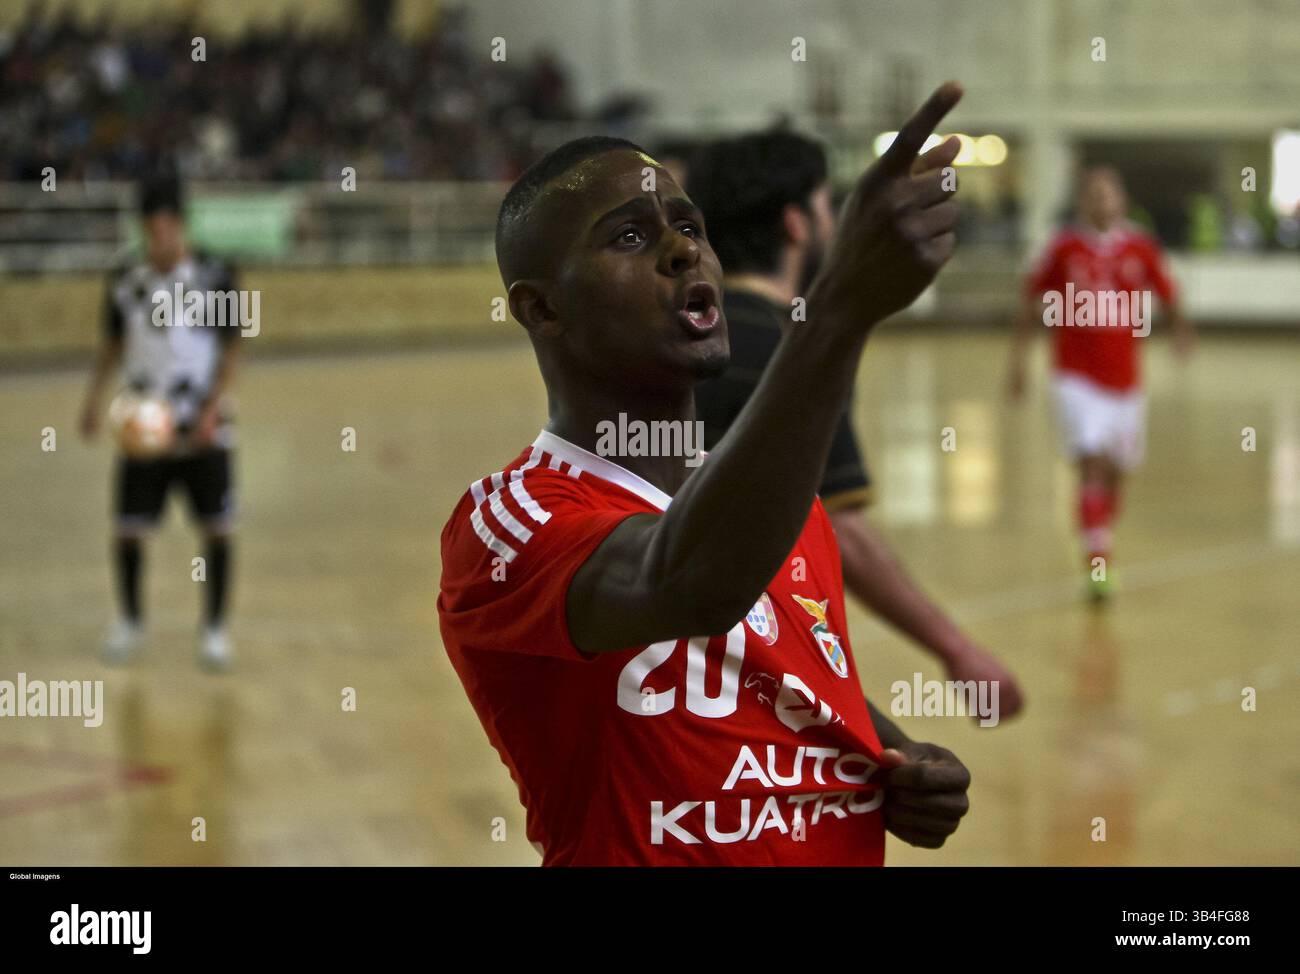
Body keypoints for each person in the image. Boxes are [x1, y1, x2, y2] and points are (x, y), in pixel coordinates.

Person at [438, 84, 972, 865]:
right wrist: (837, 310)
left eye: (689, 226)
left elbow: (793, 669)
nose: (684, 249)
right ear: (541, 309)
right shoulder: (509, 524)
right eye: (628, 236)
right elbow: (687, 585)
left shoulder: (781, 505)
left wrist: (891, 758)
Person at [691, 130, 1024, 719]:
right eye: (825, 206)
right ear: (794, 224)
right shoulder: (796, 351)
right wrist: (956, 650)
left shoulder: (685, 334)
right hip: (739, 666)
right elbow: (841, 524)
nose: (833, 220)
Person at [1008, 166, 1194, 599]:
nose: (1102, 202)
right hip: (1075, 377)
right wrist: (1018, 361)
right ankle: (1098, 563)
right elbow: (1030, 300)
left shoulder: (1139, 247)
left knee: (1117, 470)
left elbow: (1168, 292)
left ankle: (1099, 529)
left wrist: (1181, 331)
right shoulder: (1062, 247)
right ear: (1082, 202)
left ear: (1122, 200)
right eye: (1093, 194)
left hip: (1125, 381)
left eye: (1109, 194)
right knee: (1091, 462)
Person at [80, 176, 242, 670]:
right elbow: (112, 345)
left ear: (182, 226)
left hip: (203, 426)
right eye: (151, 231)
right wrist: (92, 401)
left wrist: (214, 409)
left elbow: (233, 347)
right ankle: (130, 622)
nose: (161, 240)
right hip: (142, 427)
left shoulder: (214, 274)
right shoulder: (125, 279)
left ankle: (214, 630)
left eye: (168, 229)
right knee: (128, 530)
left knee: (217, 529)